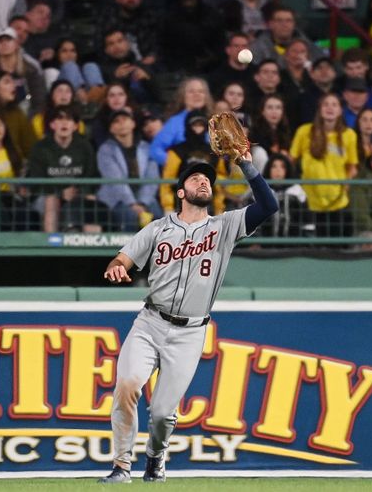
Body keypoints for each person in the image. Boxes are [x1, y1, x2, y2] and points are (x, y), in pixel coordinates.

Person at [99, 150, 278, 484]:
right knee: (126, 386)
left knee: (164, 414)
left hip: (190, 332)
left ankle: (155, 457)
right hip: (150, 322)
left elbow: (269, 207)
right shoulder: (156, 229)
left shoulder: (225, 226)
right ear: (180, 191)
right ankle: (121, 467)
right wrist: (117, 268)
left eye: (208, 179)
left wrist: (246, 165)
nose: (203, 181)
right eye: (196, 177)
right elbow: (121, 259)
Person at [290, 92, 358, 237]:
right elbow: (291, 160)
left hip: (338, 201)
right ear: (319, 109)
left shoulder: (349, 135)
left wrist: (346, 186)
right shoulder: (304, 131)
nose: (330, 108)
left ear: (340, 110)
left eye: (334, 105)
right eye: (326, 104)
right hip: (310, 201)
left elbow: (352, 166)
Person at [27, 106, 101, 233]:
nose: (64, 123)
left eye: (69, 119)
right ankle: (51, 246)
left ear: (76, 126)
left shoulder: (85, 147)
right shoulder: (40, 148)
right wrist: (60, 193)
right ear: (52, 124)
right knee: (51, 201)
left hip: (78, 196)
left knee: (90, 200)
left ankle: (89, 247)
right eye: (59, 119)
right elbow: (36, 184)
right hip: (46, 197)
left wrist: (80, 192)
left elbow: (92, 177)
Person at [96, 109, 162, 232]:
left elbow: (152, 178)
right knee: (130, 216)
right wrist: (132, 204)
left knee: (158, 215)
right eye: (116, 121)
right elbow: (115, 180)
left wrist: (142, 202)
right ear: (111, 129)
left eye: (125, 119)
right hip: (116, 198)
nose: (121, 124)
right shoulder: (105, 150)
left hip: (143, 197)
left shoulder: (146, 147)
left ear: (133, 123)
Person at [159, 109, 224, 216]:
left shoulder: (214, 151)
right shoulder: (177, 150)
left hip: (208, 203)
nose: (198, 128)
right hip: (181, 203)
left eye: (201, 124)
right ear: (188, 126)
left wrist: (219, 207)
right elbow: (168, 180)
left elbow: (220, 179)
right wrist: (168, 207)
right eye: (195, 124)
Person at [160, 0, 225, 75]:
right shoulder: (170, 19)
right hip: (177, 68)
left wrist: (210, 59)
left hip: (209, 68)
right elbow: (164, 48)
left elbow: (220, 46)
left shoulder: (211, 17)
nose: (189, 3)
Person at [150, 77, 213, 167]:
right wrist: (178, 165)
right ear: (183, 96)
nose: (197, 95)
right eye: (191, 91)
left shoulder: (214, 122)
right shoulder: (175, 122)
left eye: (201, 91)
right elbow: (155, 150)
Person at [95, 0, 159, 68]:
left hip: (148, 67)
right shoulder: (107, 18)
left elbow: (157, 46)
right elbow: (101, 49)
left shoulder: (149, 17)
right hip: (117, 68)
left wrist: (152, 57)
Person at [0, 69, 38, 159]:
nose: (13, 85)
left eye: (13, 82)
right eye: (7, 82)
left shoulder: (16, 112)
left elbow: (30, 145)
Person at [249, 5, 323, 70]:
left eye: (288, 21)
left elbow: (320, 66)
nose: (284, 25)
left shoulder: (308, 45)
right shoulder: (257, 48)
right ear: (270, 24)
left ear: (294, 24)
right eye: (279, 20)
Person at [292, 57, 336, 127]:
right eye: (319, 68)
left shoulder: (342, 95)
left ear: (334, 73)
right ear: (312, 74)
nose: (324, 71)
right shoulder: (304, 98)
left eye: (328, 68)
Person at [206, 32, 254, 96]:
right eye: (236, 46)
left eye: (244, 46)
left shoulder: (257, 73)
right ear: (228, 50)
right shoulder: (217, 76)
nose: (240, 49)